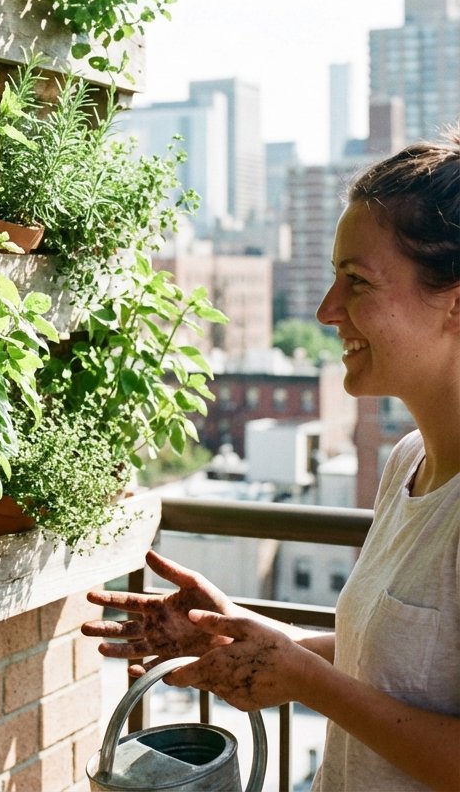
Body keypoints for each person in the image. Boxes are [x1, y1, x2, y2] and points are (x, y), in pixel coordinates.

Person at [82, 127, 460, 791]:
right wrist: (235, 634)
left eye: (357, 281)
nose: (325, 310)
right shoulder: (405, 464)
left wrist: (305, 680)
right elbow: (402, 665)